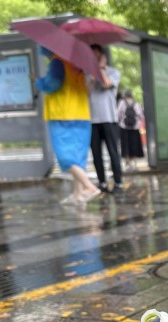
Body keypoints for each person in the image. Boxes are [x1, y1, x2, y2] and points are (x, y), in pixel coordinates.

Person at [35, 47, 99, 205]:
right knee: (78, 156)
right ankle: (77, 194)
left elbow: (53, 83)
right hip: (81, 114)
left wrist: (39, 82)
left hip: (62, 114)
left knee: (65, 156)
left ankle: (89, 187)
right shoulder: (77, 65)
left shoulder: (58, 62)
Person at [87, 44, 122, 193]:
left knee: (113, 152)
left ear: (102, 55)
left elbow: (107, 84)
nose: (94, 57)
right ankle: (102, 182)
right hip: (92, 120)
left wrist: (101, 69)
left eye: (97, 54)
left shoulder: (113, 72)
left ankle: (118, 182)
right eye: (91, 54)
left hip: (109, 118)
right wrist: (93, 76)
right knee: (96, 154)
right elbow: (86, 92)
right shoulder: (87, 73)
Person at [117, 89, 144, 171]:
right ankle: (134, 164)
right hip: (135, 128)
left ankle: (127, 164)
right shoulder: (136, 103)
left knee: (126, 146)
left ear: (125, 96)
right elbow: (140, 115)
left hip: (124, 128)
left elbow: (118, 114)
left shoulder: (122, 103)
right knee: (134, 145)